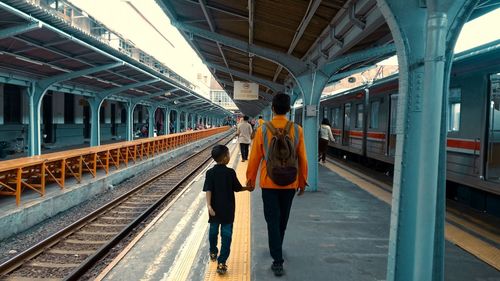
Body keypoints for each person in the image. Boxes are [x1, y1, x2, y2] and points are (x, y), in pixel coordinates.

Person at [246, 93, 308, 276]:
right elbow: (302, 158)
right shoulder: (297, 130)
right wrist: (302, 181)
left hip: (269, 182)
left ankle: (277, 259)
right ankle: (277, 249)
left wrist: (250, 180)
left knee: (272, 220)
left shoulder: (262, 130)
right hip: (290, 183)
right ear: (289, 109)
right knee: (283, 220)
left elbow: (255, 158)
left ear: (272, 108)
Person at [203, 145, 252, 275]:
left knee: (215, 232)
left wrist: (247, 188)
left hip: (223, 210)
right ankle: (213, 250)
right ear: (225, 158)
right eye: (228, 154)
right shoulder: (211, 173)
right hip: (220, 209)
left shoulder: (229, 173)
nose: (230, 156)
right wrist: (209, 206)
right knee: (226, 235)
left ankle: (221, 261)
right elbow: (209, 189)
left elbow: (235, 188)